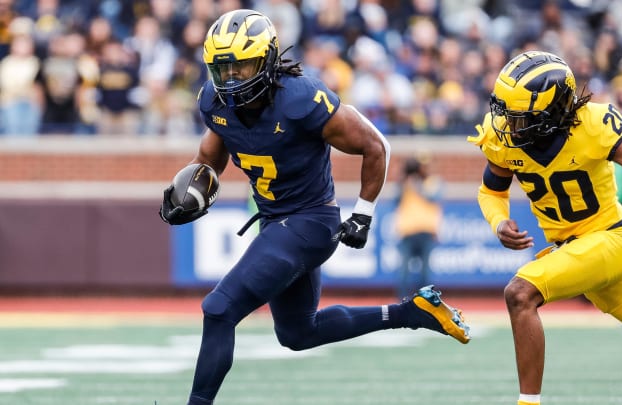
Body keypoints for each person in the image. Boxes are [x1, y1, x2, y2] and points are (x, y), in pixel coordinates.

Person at [158, 9, 470, 405]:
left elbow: (375, 145)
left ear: (267, 59)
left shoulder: (300, 98)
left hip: (310, 222)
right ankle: (411, 313)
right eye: (224, 69)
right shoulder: (214, 103)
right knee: (297, 333)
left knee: (219, 308)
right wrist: (193, 185)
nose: (233, 79)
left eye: (243, 66)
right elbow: (210, 156)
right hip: (276, 222)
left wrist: (363, 212)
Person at [467, 50, 622, 405]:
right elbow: (491, 191)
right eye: (507, 114)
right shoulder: (504, 137)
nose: (509, 125)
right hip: (576, 252)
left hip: (614, 239)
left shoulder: (594, 125)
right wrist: (498, 221)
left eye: (521, 117)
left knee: (520, 293)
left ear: (552, 112)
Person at [393, 153, 444, 299]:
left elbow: (432, 198)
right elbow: (396, 200)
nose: (424, 169)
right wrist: (402, 180)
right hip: (407, 231)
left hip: (426, 231)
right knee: (403, 271)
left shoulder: (434, 182)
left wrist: (416, 183)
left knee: (426, 272)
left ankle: (426, 302)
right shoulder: (406, 183)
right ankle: (402, 302)